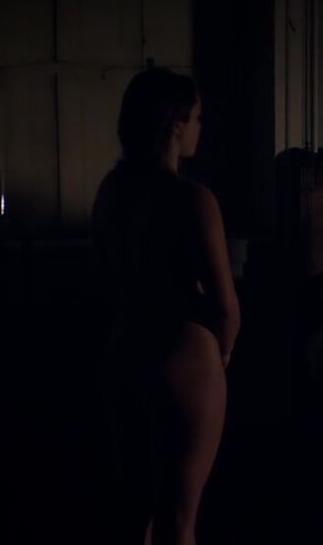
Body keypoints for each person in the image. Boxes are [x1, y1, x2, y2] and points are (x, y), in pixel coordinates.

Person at [91, 67, 239, 545]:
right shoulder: (193, 199)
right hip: (182, 356)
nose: (200, 127)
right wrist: (220, 354)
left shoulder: (111, 191)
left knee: (134, 512)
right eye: (196, 117)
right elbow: (225, 305)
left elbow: (105, 280)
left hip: (124, 350)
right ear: (175, 124)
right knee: (179, 520)